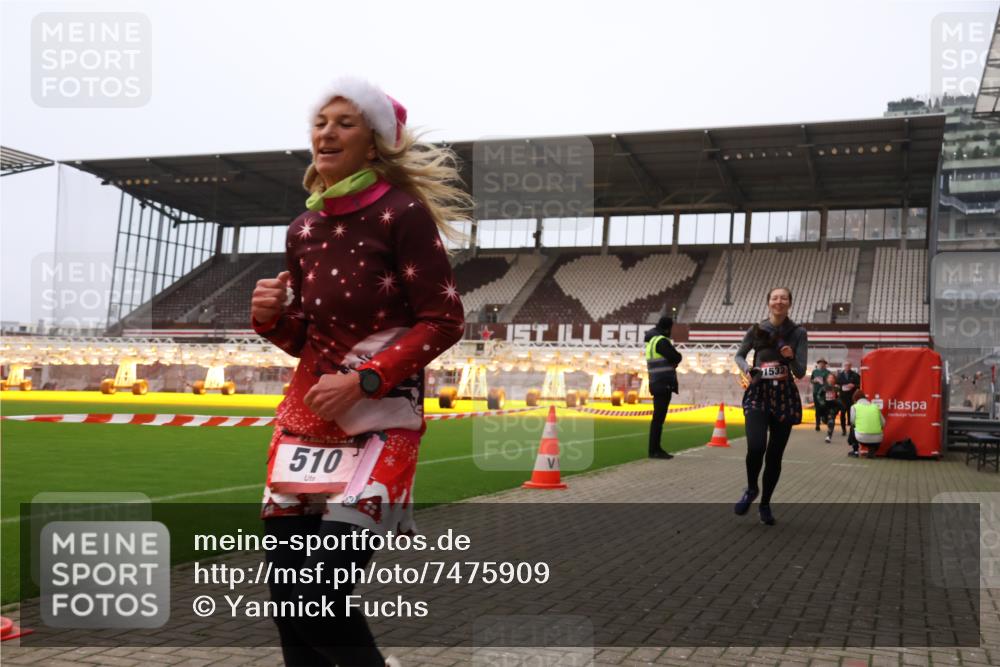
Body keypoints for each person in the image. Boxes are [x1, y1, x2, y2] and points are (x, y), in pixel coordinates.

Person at [251, 76, 469, 667]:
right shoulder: (302, 228)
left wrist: (365, 379)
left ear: (373, 143)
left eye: (345, 122)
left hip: (382, 420)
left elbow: (445, 320)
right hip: (304, 423)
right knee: (291, 605)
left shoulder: (403, 215)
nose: (328, 131)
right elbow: (314, 343)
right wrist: (270, 321)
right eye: (321, 121)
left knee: (319, 593)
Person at [733, 287, 808, 526]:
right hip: (758, 392)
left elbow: (800, 371)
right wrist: (748, 369)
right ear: (768, 303)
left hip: (784, 396)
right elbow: (739, 356)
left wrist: (790, 357)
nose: (779, 301)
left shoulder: (798, 332)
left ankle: (765, 503)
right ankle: (752, 488)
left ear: (789, 303)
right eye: (775, 298)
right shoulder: (757, 330)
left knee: (775, 456)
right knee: (756, 447)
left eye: (783, 298)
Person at [644, 316, 683, 459]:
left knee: (657, 419)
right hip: (663, 383)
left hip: (655, 382)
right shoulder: (661, 341)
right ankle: (654, 450)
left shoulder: (652, 341)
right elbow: (676, 357)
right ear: (667, 328)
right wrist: (675, 360)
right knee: (658, 419)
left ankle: (654, 449)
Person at [848, 389, 885, 458]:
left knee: (852, 427)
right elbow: (883, 423)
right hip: (878, 439)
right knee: (875, 431)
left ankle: (855, 451)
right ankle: (872, 451)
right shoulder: (875, 407)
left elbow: (852, 421)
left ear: (855, 399)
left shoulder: (854, 407)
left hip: (861, 437)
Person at [836, 361, 861, 436]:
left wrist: (854, 385)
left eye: (848, 365)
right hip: (842, 398)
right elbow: (837, 384)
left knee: (852, 414)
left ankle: (852, 430)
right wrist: (841, 387)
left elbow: (860, 384)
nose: (847, 367)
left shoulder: (855, 375)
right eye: (846, 365)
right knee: (842, 413)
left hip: (852, 397)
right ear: (844, 366)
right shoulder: (840, 375)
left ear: (851, 366)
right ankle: (843, 430)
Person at [809, 359, 831, 431]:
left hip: (824, 393)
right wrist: (814, 380)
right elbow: (811, 380)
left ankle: (825, 419)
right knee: (817, 408)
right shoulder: (814, 371)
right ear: (818, 364)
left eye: (823, 363)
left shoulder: (828, 372)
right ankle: (817, 424)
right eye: (820, 363)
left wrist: (824, 382)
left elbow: (830, 381)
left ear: (825, 365)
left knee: (825, 407)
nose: (821, 365)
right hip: (816, 392)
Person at [822, 373, 842, 444]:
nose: (831, 379)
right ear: (827, 379)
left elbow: (840, 397)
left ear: (834, 380)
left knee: (831, 421)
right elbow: (819, 395)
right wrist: (821, 402)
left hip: (833, 407)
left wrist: (838, 402)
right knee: (824, 420)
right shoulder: (823, 387)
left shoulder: (837, 388)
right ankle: (827, 422)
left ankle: (828, 436)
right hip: (825, 407)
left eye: (832, 378)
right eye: (829, 378)